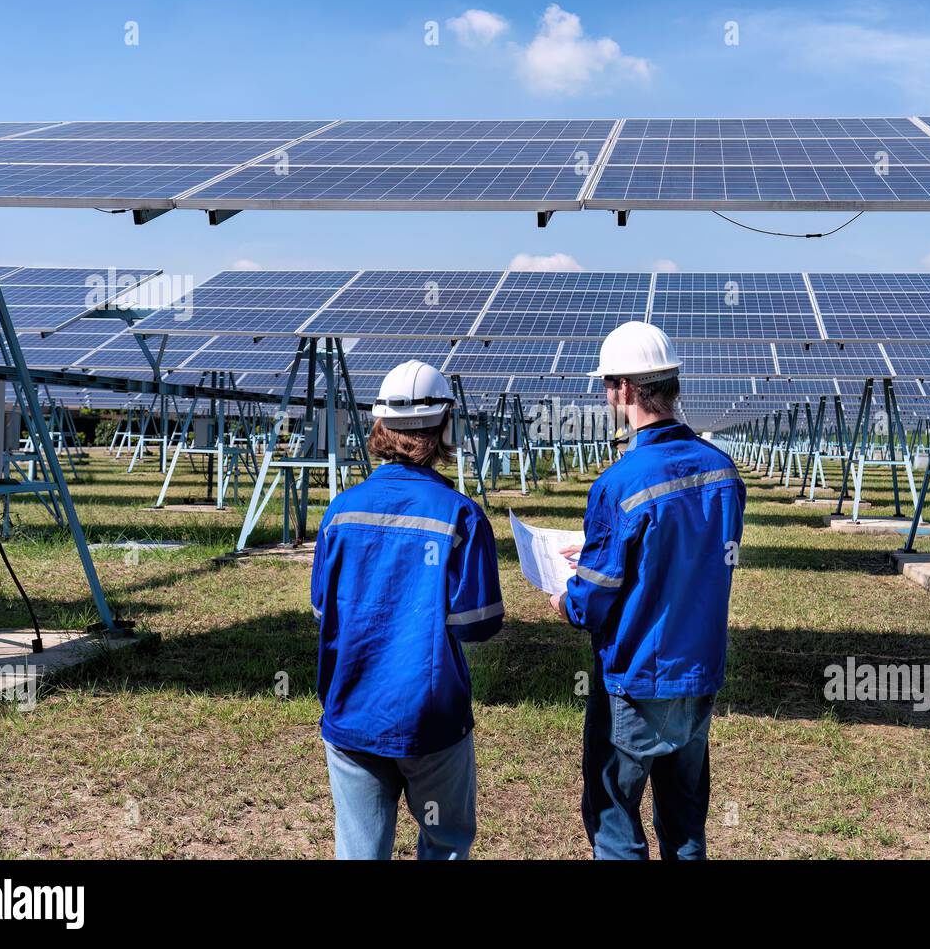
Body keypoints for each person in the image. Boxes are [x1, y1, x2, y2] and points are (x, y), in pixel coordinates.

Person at [549, 321, 746, 860]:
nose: (606, 396)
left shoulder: (620, 483)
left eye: (608, 386)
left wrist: (567, 595)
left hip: (636, 678)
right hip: (699, 672)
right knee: (684, 823)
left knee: (614, 820)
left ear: (628, 391)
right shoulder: (725, 474)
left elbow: (593, 601)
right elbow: (697, 557)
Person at [311, 360, 503, 860]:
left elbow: (322, 609)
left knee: (359, 848)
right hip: (431, 720)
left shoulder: (341, 511)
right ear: (445, 427)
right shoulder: (461, 515)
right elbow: (478, 624)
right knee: (445, 841)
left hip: (351, 709)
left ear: (379, 425)